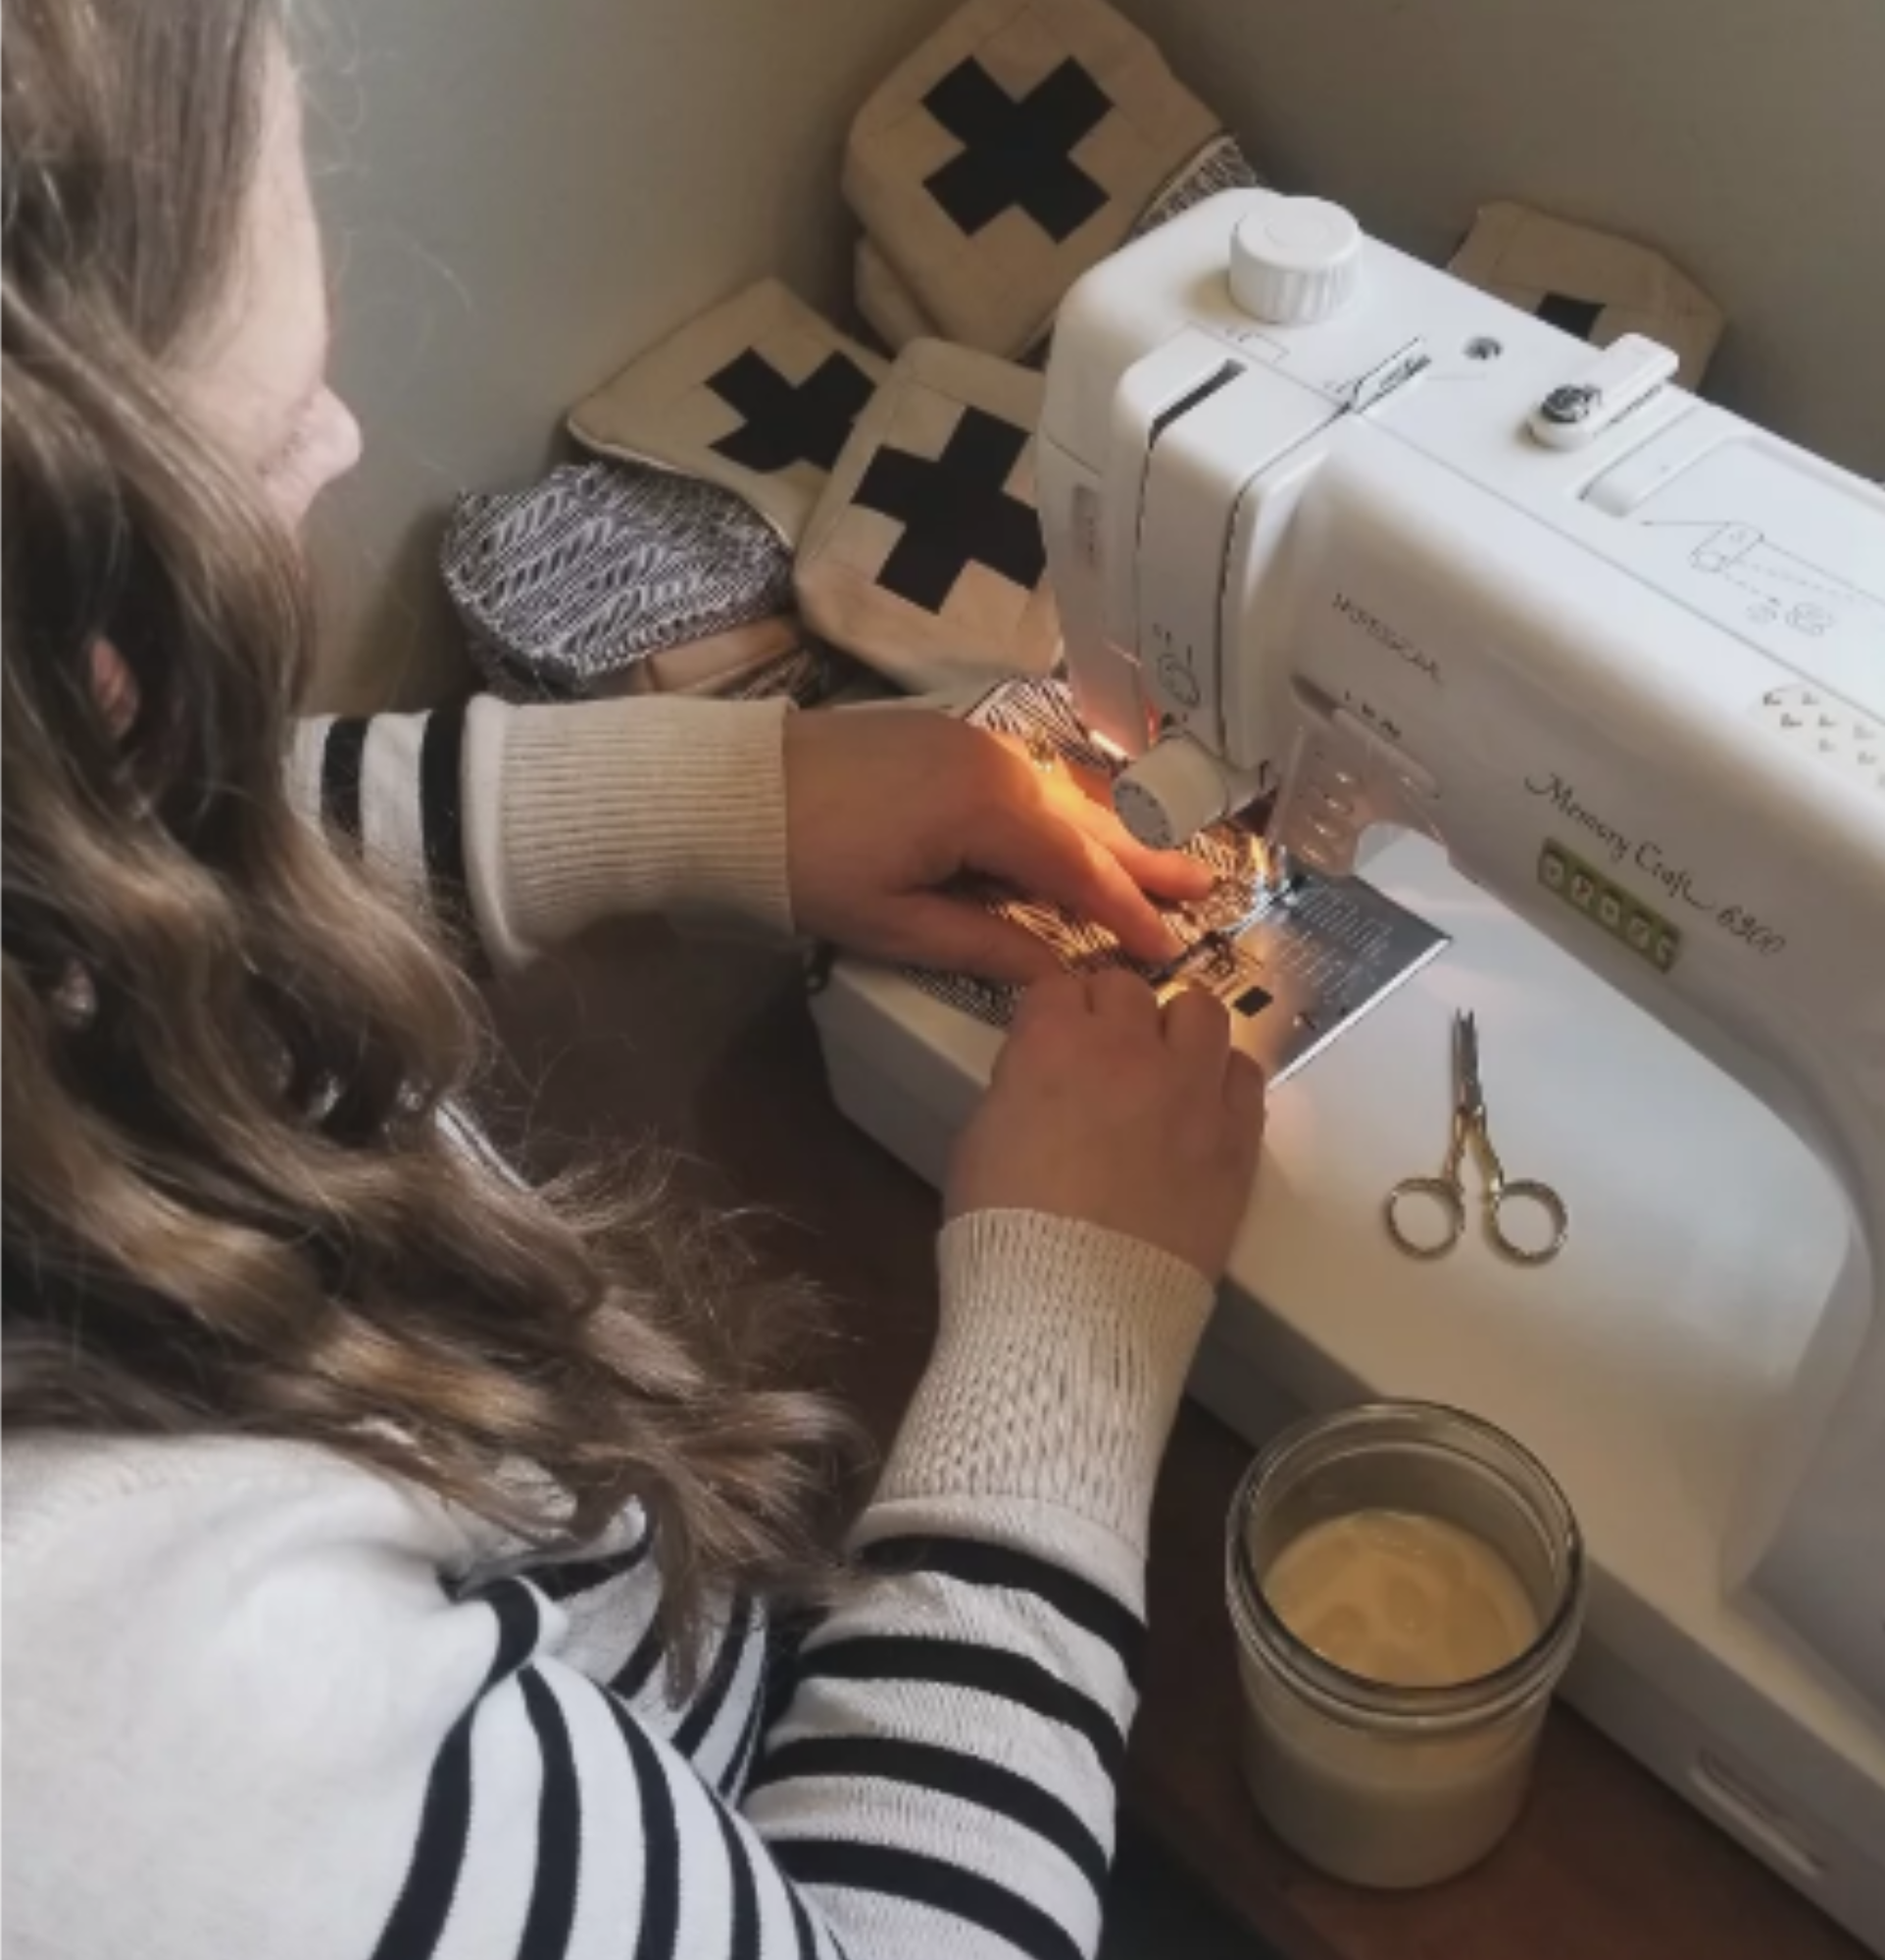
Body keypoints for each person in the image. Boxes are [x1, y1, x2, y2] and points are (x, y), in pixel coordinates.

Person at [1, 5, 1266, 1958]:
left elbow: (130, 853)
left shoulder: (54, 880)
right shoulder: (154, 1754)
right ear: (87, 652)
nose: (341, 442)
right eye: (268, 438)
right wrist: (1071, 1336)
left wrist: (708, 798)